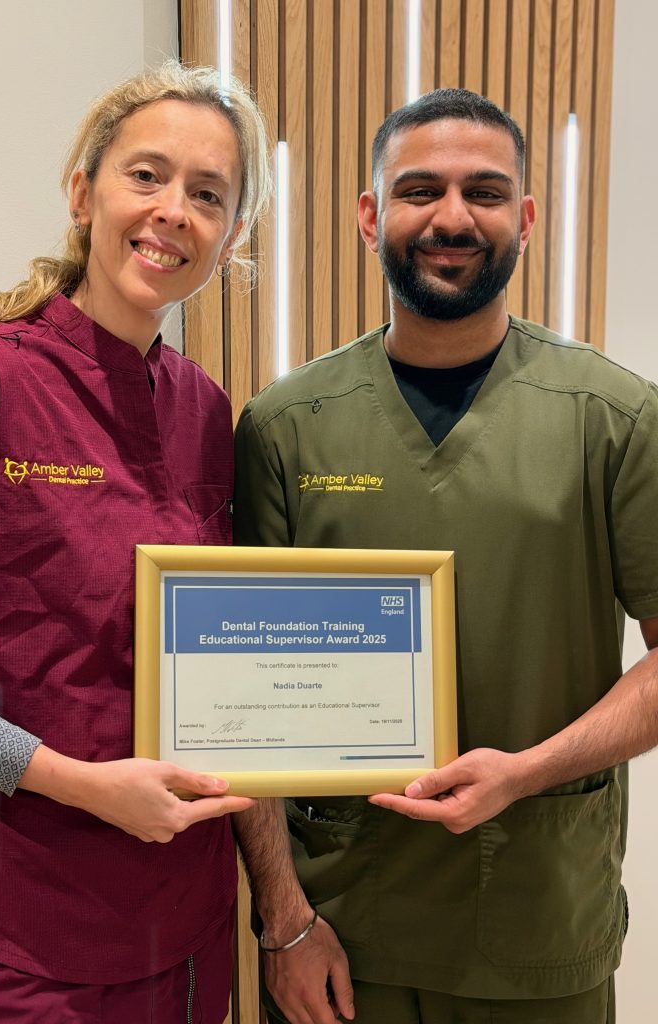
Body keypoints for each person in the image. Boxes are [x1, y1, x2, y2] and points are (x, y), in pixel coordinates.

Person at [233, 88, 658, 1024]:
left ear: (528, 218)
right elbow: (244, 702)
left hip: (542, 917)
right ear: (370, 215)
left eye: (487, 191)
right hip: (341, 928)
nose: (453, 217)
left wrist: (527, 769)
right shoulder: (286, 426)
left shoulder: (615, 419)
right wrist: (284, 920)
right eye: (420, 190)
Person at [0, 61, 271, 1023]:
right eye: (146, 175)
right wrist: (77, 783)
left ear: (229, 239)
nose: (173, 211)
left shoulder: (206, 412)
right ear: (81, 191)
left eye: (208, 195)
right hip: (17, 939)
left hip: (184, 930)